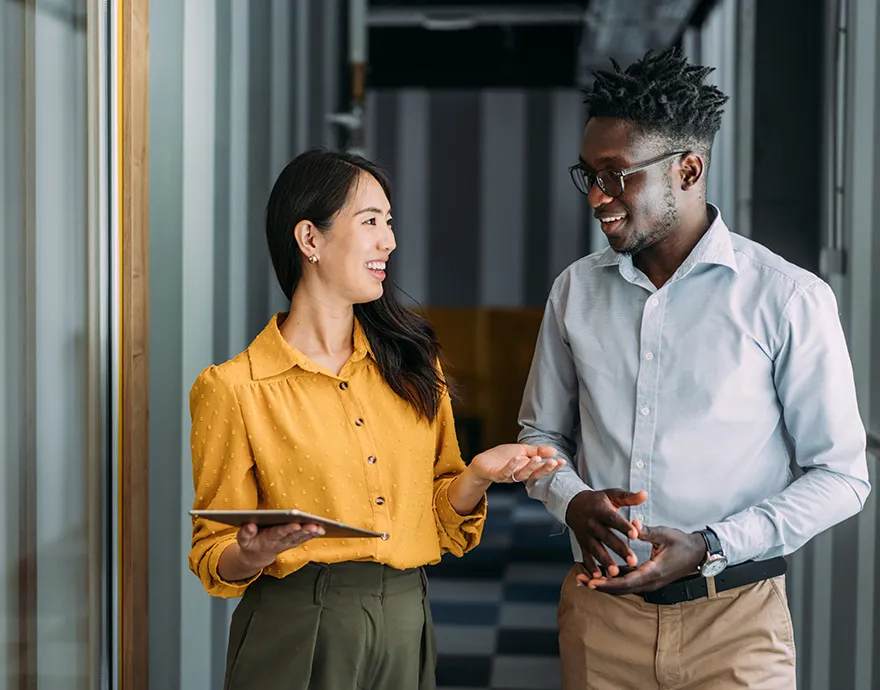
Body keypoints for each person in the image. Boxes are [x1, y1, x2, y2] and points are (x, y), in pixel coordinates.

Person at [518, 47, 870, 689]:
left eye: (617, 174)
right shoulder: (576, 291)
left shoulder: (787, 298)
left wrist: (711, 544)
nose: (597, 196)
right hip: (603, 619)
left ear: (687, 168)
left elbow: (841, 477)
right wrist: (571, 501)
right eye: (588, 175)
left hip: (737, 624)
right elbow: (540, 439)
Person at [188, 147, 563, 690]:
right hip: (297, 623)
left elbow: (442, 521)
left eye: (388, 223)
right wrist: (251, 552)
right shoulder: (232, 389)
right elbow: (211, 555)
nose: (388, 240)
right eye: (370, 222)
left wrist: (477, 475)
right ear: (309, 239)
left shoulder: (413, 362)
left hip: (406, 615)